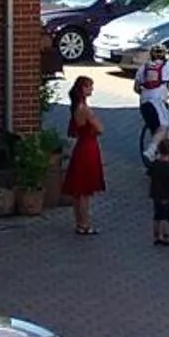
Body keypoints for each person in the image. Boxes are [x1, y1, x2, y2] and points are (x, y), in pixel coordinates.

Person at [60, 73, 105, 236]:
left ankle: (79, 222)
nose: (92, 89)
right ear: (82, 88)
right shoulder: (84, 109)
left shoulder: (76, 107)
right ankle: (85, 223)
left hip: (81, 147)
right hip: (89, 147)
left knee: (77, 190)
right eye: (89, 86)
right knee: (85, 190)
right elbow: (100, 128)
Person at [134, 44, 169, 160]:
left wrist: (146, 94)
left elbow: (136, 88)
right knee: (164, 126)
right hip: (157, 102)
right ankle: (151, 151)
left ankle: (160, 156)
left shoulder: (143, 68)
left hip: (144, 103)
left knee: (156, 129)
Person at [146, 132, 169, 246]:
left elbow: (150, 176)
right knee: (166, 216)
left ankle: (156, 235)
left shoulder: (155, 163)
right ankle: (165, 235)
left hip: (156, 193)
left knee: (157, 215)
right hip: (166, 195)